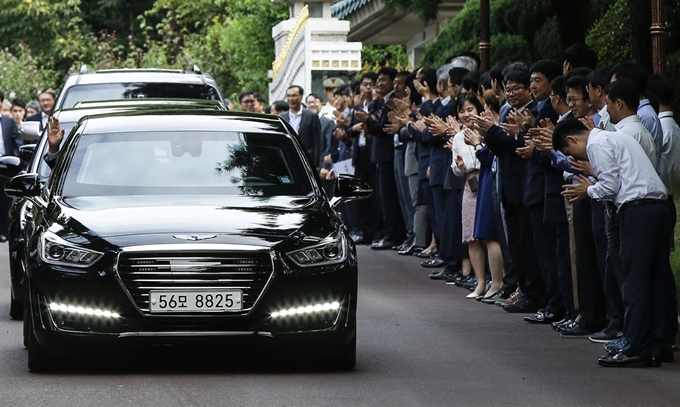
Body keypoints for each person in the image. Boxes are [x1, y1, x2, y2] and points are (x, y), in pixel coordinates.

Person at [555, 118, 671, 367]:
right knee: (655, 280)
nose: (575, 158)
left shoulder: (596, 144)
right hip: (658, 207)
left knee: (635, 281)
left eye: (569, 152)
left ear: (571, 139)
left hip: (637, 211)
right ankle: (656, 344)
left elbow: (610, 187)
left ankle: (635, 346)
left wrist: (587, 190)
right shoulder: (617, 136)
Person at [280, 85, 321, 168]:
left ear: (301, 97)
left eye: (294, 95)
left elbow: (317, 142)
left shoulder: (311, 116)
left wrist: (316, 164)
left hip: (307, 160)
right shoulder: (282, 117)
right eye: (289, 96)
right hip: (287, 160)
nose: (291, 99)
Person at [0, 105, 23, 241]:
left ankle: (3, 231)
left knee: (4, 200)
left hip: (4, 163)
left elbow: (17, 142)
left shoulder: (8, 122)